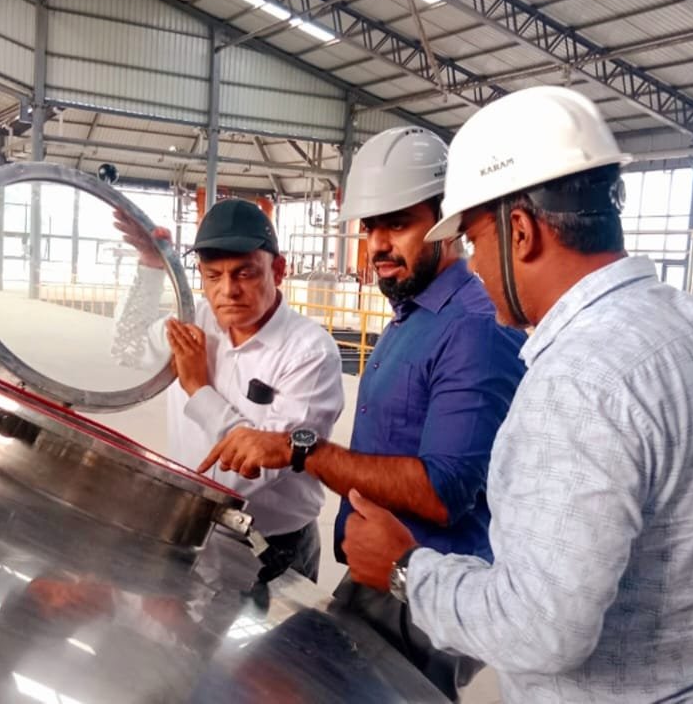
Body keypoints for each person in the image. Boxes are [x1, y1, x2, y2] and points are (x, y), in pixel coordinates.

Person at [338, 86, 693, 703]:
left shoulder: (578, 379)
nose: (475, 266)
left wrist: (406, 570)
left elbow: (540, 630)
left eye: (476, 242)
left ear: (520, 231)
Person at [197, 127, 525, 700]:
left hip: (428, 589)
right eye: (371, 227)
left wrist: (300, 450)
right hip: (379, 572)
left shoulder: (472, 328)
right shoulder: (412, 317)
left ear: (448, 223)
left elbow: (444, 491)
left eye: (398, 224)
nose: (378, 245)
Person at [112, 199, 344, 582]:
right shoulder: (194, 321)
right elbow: (127, 347)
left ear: (278, 270)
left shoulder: (310, 352)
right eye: (213, 276)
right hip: (190, 529)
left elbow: (257, 469)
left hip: (272, 545)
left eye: (244, 273)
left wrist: (198, 388)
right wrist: (151, 266)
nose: (228, 291)